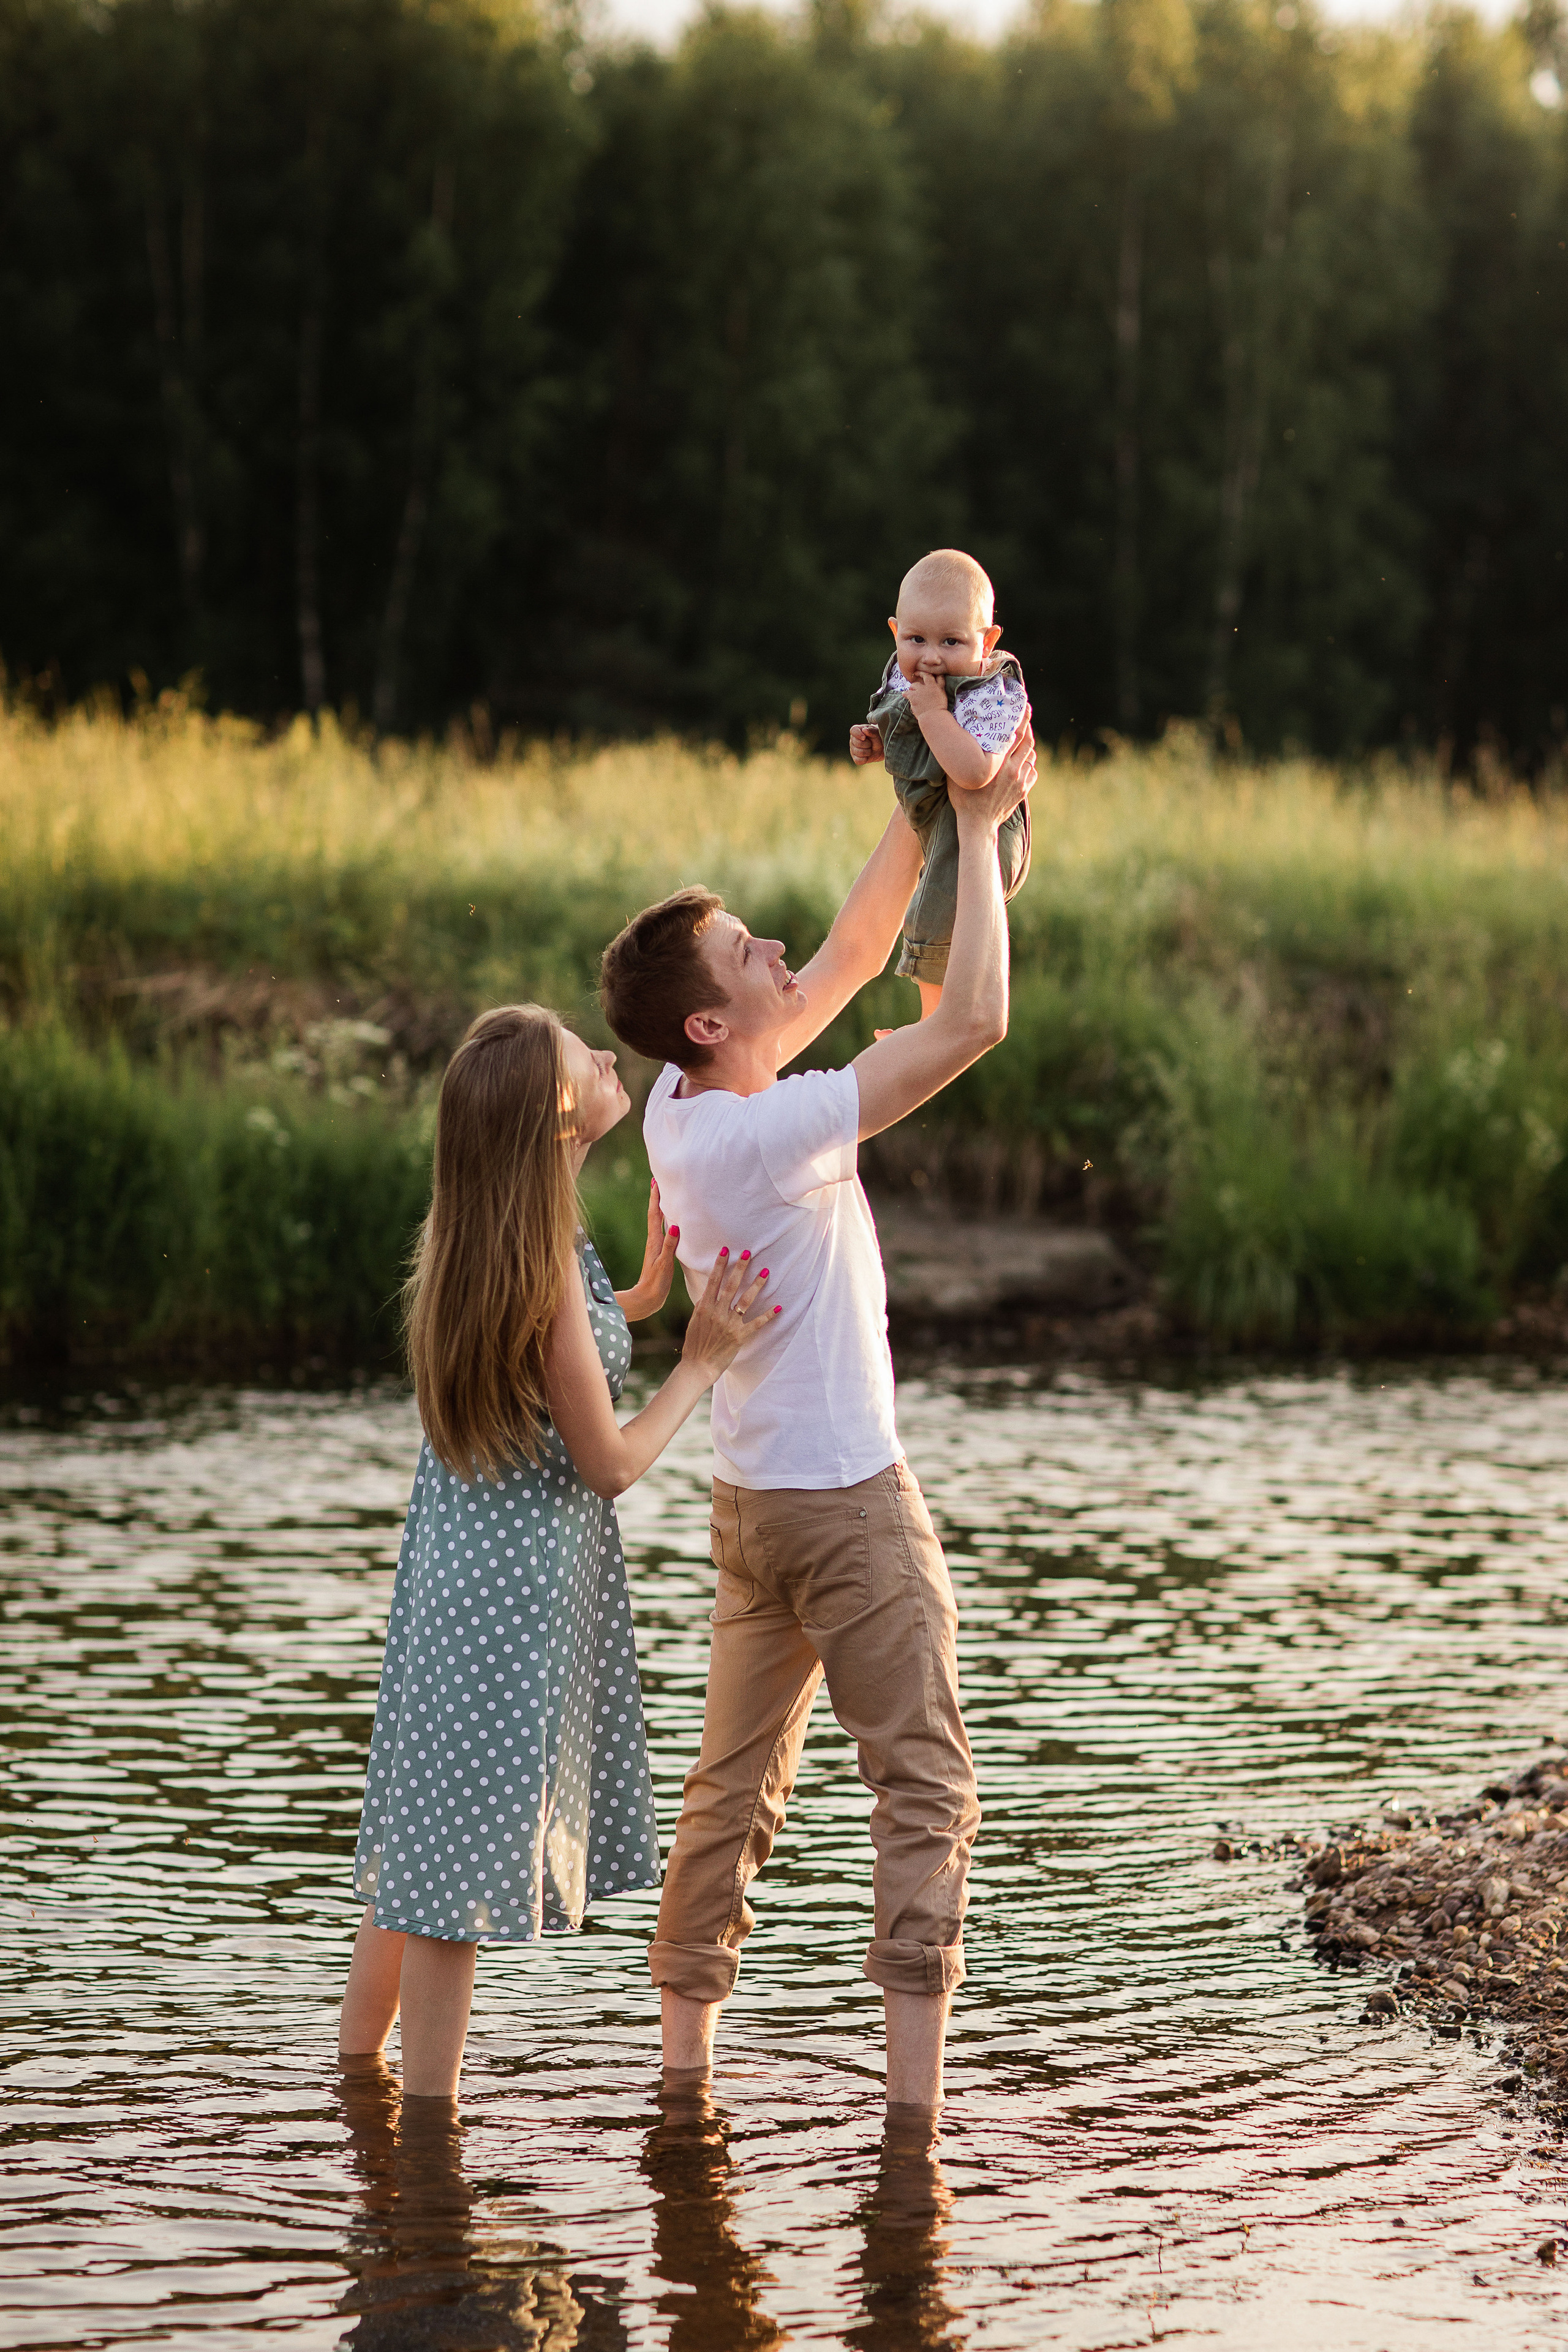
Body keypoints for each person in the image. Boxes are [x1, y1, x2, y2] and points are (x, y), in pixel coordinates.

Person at [598, 712, 1036, 2116]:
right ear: (713, 1020)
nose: (773, 948)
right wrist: (976, 823)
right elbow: (968, 1023)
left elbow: (851, 953)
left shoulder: (681, 1100)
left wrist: (926, 767)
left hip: (750, 1513)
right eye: (744, 952)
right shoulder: (767, 1131)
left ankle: (683, 2087)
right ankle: (912, 2131)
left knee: (729, 1794)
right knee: (924, 1786)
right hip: (848, 1504)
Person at [337, 1003, 775, 2100]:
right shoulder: (537, 1273)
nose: (604, 1054)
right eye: (582, 1053)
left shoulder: (502, 1244)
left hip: (456, 1584)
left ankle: (357, 2088)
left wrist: (643, 1296)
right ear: (558, 1116)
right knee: (450, 1900)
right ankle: (428, 2155)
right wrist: (701, 1360)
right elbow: (611, 1462)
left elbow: (570, 1343)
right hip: (508, 1607)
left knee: (421, 1855)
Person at [850, 547, 1031, 1019]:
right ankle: (929, 1027)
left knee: (936, 922)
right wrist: (878, 744)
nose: (930, 657)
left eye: (952, 642)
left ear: (986, 643)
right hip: (941, 825)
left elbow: (975, 773)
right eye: (915, 639)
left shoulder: (989, 693)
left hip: (985, 831)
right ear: (895, 632)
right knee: (932, 918)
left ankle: (932, 1026)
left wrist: (932, 714)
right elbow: (917, 744)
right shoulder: (904, 674)